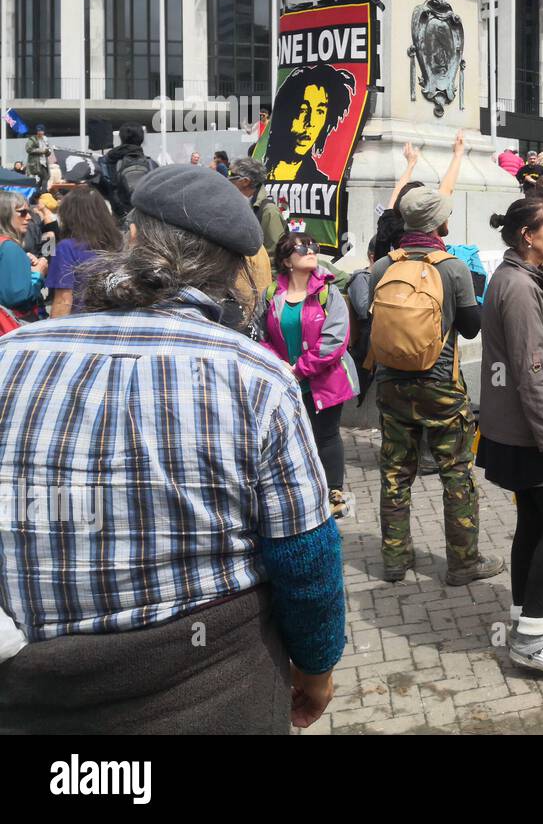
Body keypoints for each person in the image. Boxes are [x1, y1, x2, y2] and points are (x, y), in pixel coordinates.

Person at [0, 166, 345, 732]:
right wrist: (316, 666)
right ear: (236, 274)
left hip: (31, 691)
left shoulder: (14, 353)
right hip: (211, 689)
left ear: (131, 240)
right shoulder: (257, 378)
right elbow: (304, 558)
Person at [357, 186, 503, 587]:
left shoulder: (382, 266)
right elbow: (472, 328)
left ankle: (394, 560)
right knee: (455, 473)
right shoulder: (453, 268)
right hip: (440, 384)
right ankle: (462, 563)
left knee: (395, 474)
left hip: (391, 386)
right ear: (440, 223)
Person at [476, 198, 543, 677]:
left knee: (537, 523)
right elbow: (530, 370)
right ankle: (532, 637)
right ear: (527, 235)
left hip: (517, 430)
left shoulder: (515, 279)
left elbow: (530, 352)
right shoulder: (519, 286)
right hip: (530, 434)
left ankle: (526, 616)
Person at [257, 230, 358, 520]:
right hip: (285, 382)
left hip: (324, 381)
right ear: (287, 260)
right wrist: (280, 367)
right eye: (302, 248)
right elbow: (262, 336)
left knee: (326, 436)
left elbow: (334, 341)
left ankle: (334, 498)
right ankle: (302, 497)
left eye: (313, 246)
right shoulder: (270, 294)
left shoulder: (328, 291)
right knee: (293, 438)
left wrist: (299, 370)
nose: (311, 251)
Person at [46, 187, 121, 318]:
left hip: (81, 324)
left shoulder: (66, 248)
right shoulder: (119, 243)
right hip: (115, 321)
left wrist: (50, 334)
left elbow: (64, 300)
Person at [0, 192, 46, 323]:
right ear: (5, 215)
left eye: (29, 212)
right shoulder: (9, 247)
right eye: (22, 212)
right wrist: (39, 273)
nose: (29, 217)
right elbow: (19, 297)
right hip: (15, 326)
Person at [229, 157, 288, 255]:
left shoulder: (269, 211)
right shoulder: (236, 203)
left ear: (245, 181)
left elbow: (274, 254)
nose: (228, 177)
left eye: (231, 174)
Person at [25, 126, 51, 190]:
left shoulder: (45, 140)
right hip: (35, 163)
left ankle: (36, 191)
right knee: (46, 177)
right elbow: (28, 149)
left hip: (44, 162)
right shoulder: (32, 139)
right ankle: (43, 193)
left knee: (44, 177)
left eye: (41, 131)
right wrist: (41, 150)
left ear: (44, 131)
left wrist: (48, 151)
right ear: (36, 132)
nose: (40, 132)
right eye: (38, 131)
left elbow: (48, 151)